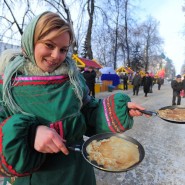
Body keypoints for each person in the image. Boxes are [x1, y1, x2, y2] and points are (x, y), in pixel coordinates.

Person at [0, 11, 146, 185]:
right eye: (49, 45)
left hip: (78, 175)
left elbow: (87, 112)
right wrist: (30, 135)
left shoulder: (73, 81)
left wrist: (117, 110)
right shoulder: (8, 85)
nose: (56, 55)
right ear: (30, 42)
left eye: (63, 50)